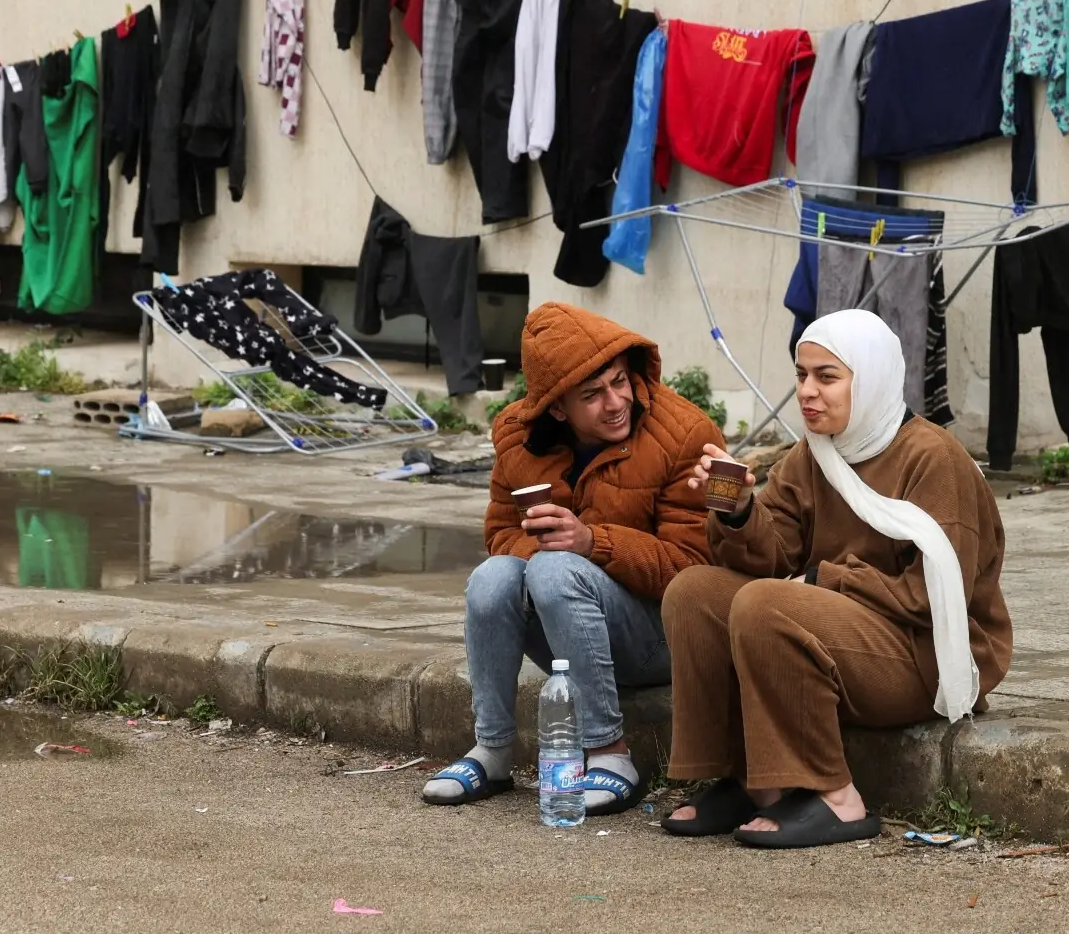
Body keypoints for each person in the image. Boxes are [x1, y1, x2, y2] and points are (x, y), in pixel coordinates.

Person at [659, 308, 1011, 849]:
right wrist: (736, 509)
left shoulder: (934, 459)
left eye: (827, 377)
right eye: (802, 375)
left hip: (927, 652)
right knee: (696, 593)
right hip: (851, 634)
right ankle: (751, 781)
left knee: (765, 605)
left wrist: (825, 581)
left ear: (868, 380)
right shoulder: (814, 453)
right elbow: (772, 556)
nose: (808, 391)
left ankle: (837, 797)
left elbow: (932, 597)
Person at [422, 302, 723, 814]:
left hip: (660, 638)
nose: (615, 402)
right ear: (557, 409)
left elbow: (694, 570)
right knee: (494, 577)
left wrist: (591, 543)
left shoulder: (685, 434)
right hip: (567, 624)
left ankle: (609, 751)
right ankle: (493, 750)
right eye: (592, 394)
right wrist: (541, 548)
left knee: (556, 568)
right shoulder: (519, 437)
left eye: (620, 382)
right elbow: (499, 534)